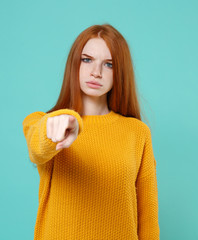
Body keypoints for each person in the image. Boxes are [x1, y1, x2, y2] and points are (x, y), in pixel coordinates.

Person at [22, 23, 160, 240]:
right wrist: (70, 121)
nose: (96, 72)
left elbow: (148, 219)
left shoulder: (137, 133)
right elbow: (37, 149)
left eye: (109, 64)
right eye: (87, 60)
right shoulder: (44, 122)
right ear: (74, 64)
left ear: (120, 72)